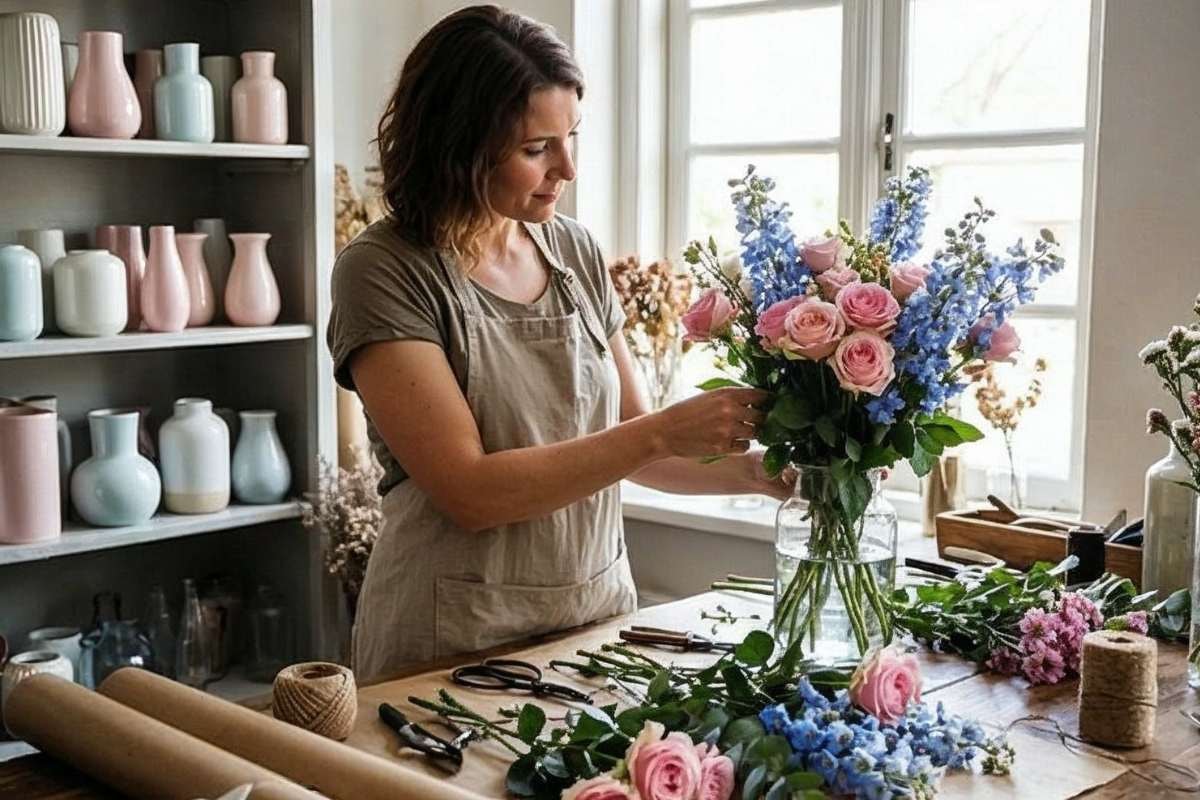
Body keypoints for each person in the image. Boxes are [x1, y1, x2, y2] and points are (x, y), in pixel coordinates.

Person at [327, 5, 791, 684]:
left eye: (571, 135)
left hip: (593, 626)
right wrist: (662, 432)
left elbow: (628, 435)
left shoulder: (573, 249)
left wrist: (755, 475)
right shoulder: (383, 270)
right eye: (536, 148)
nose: (567, 168)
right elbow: (469, 491)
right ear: (457, 147)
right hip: (450, 640)